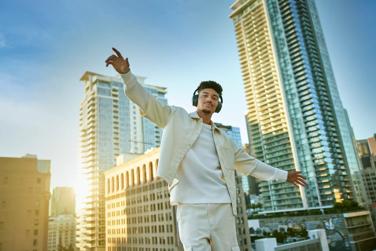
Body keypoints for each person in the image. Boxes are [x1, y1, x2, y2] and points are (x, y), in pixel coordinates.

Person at [105, 48, 306, 251]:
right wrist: (126, 75)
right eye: (205, 95)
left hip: (223, 205)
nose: (210, 99)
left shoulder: (225, 139)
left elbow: (250, 164)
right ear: (197, 98)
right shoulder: (176, 117)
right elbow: (148, 103)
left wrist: (284, 175)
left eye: (214, 97)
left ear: (218, 105)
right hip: (189, 204)